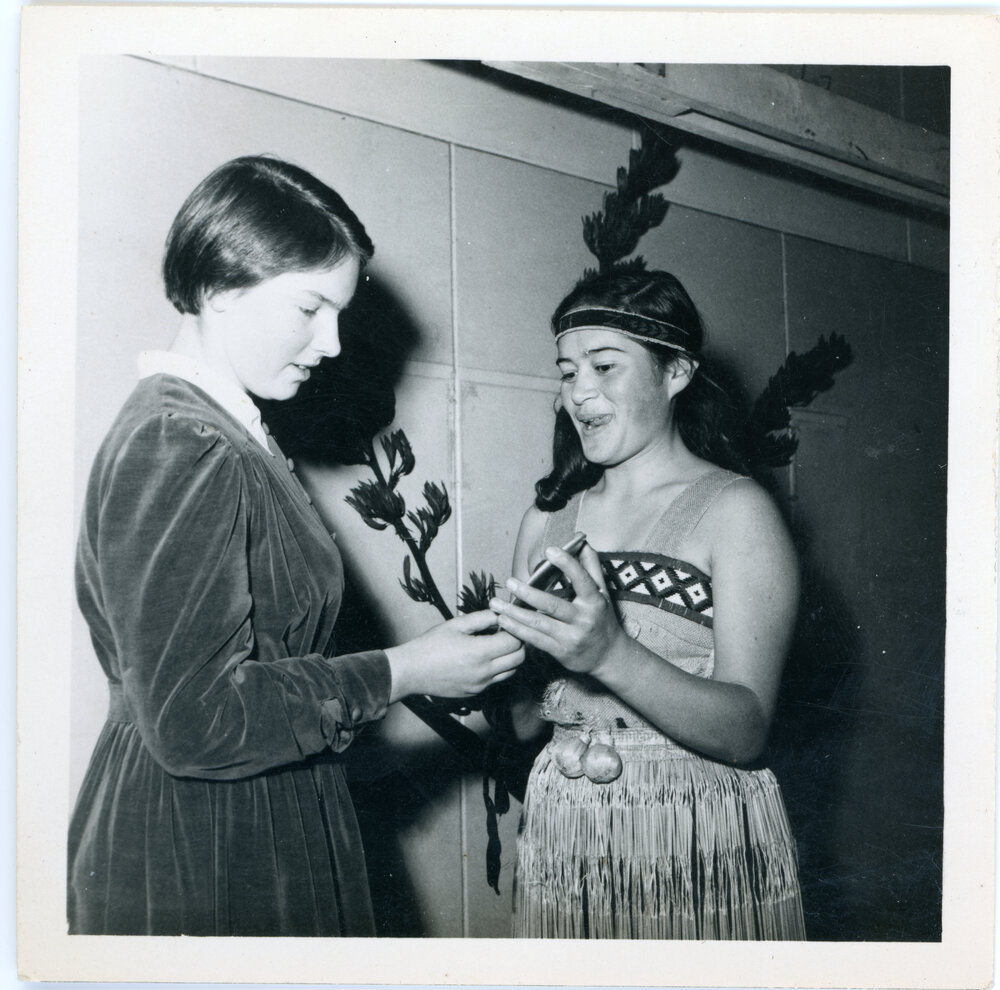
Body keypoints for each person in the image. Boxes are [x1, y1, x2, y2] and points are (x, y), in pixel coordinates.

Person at [68, 155, 524, 936]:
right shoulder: (185, 443)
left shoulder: (221, 435)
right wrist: (405, 670)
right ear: (218, 288)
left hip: (239, 813)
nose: (334, 343)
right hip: (208, 842)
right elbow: (195, 719)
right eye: (311, 308)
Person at [489, 269, 806, 940]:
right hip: (566, 839)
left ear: (677, 372)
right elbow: (523, 726)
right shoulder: (545, 524)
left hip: (695, 839)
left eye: (605, 366)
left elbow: (747, 729)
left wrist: (608, 652)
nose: (579, 393)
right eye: (567, 371)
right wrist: (498, 664)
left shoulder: (735, 512)